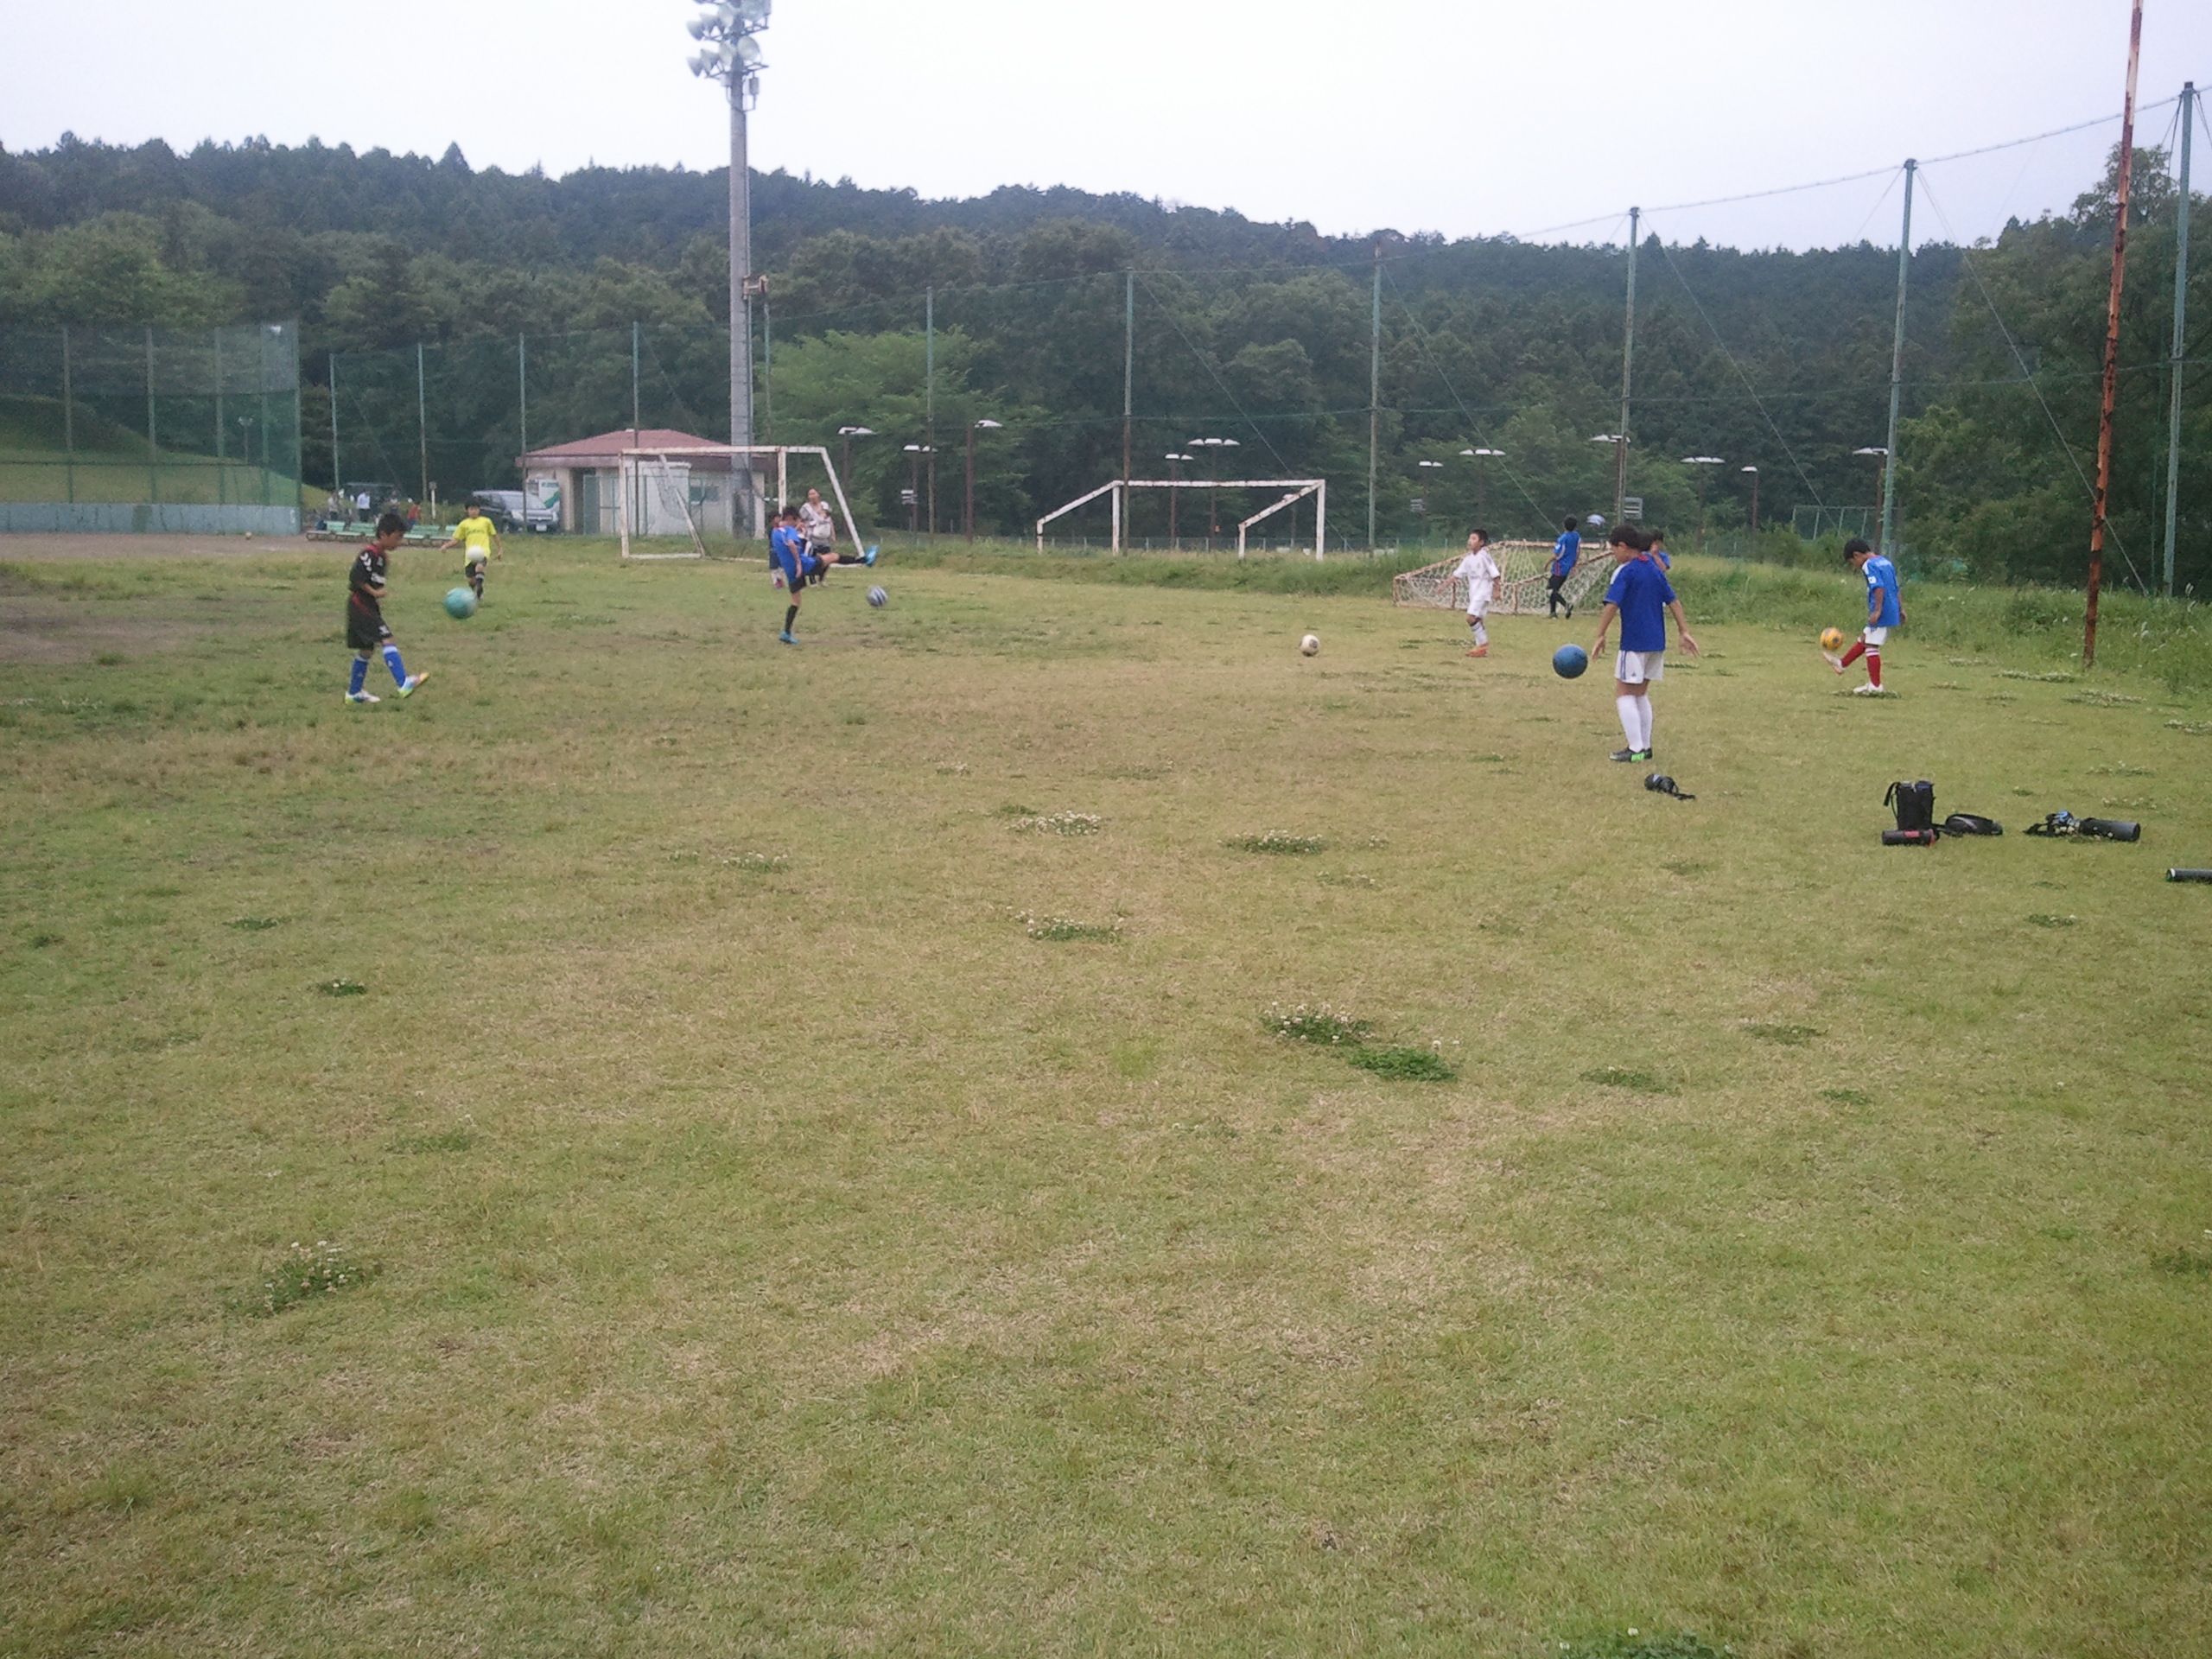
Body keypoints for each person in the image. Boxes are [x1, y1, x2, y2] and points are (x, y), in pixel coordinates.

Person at [1588, 524, 1699, 762]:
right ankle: (1645, 748)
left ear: (1623, 546)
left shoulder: (1627, 572)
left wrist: (1600, 635)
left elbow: (1612, 605)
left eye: (1613, 550)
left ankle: (1636, 749)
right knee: (1640, 693)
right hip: (1656, 642)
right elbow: (1674, 601)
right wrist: (1684, 631)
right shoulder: (1653, 568)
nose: (1614, 555)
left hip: (1635, 641)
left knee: (1623, 692)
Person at [345, 512, 430, 705]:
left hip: (368, 606)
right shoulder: (369, 554)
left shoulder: (382, 557)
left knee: (366, 649)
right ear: (384, 534)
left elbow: (376, 582)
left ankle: (354, 693)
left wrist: (377, 600)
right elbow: (356, 578)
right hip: (360, 604)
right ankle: (403, 683)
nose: (400, 542)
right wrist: (374, 593)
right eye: (397, 537)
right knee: (387, 638)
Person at [1824, 537, 1902, 694]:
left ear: (1857, 555)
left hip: (1882, 610)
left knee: (1871, 646)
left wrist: (1877, 610)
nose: (1855, 566)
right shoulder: (1885, 562)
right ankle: (1842, 664)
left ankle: (1875, 686)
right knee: (1865, 638)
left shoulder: (1869, 565)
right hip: (1892, 608)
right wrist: (1901, 608)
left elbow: (1878, 588)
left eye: (1852, 562)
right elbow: (1896, 587)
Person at [769, 504, 816, 644]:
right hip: (797, 567)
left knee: (796, 602)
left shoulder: (776, 531)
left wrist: (795, 530)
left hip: (790, 570)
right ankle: (863, 560)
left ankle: (786, 632)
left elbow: (786, 536)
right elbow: (791, 543)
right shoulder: (788, 530)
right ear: (791, 519)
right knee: (831, 557)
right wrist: (799, 563)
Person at [441, 499, 503, 601]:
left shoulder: (486, 522)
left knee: (479, 567)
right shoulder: (464, 524)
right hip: (470, 554)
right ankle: (478, 593)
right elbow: (456, 540)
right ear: (467, 511)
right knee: (470, 580)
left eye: (476, 509)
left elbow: (494, 535)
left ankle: (478, 587)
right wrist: (446, 546)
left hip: (482, 551)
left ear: (479, 510)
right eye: (471, 509)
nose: (474, 511)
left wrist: (500, 549)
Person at [1453, 528, 1500, 657]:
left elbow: (1495, 574)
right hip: (1474, 593)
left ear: (1481, 542)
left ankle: (1483, 643)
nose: (1470, 541)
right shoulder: (1469, 558)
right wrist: (1444, 585)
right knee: (1478, 619)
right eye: (1470, 538)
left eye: (1474, 539)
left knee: (1470, 617)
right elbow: (1457, 574)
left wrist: (1497, 591)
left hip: (1483, 592)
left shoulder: (1484, 556)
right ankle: (1481, 649)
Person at [1548, 515, 1581, 618]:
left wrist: (1547, 563)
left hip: (1559, 567)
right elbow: (1578, 551)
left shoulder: (1562, 538)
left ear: (1564, 525)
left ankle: (1566, 605)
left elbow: (1557, 554)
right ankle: (1553, 613)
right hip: (1568, 567)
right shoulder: (1577, 536)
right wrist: (1574, 564)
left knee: (1550, 590)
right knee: (1554, 589)